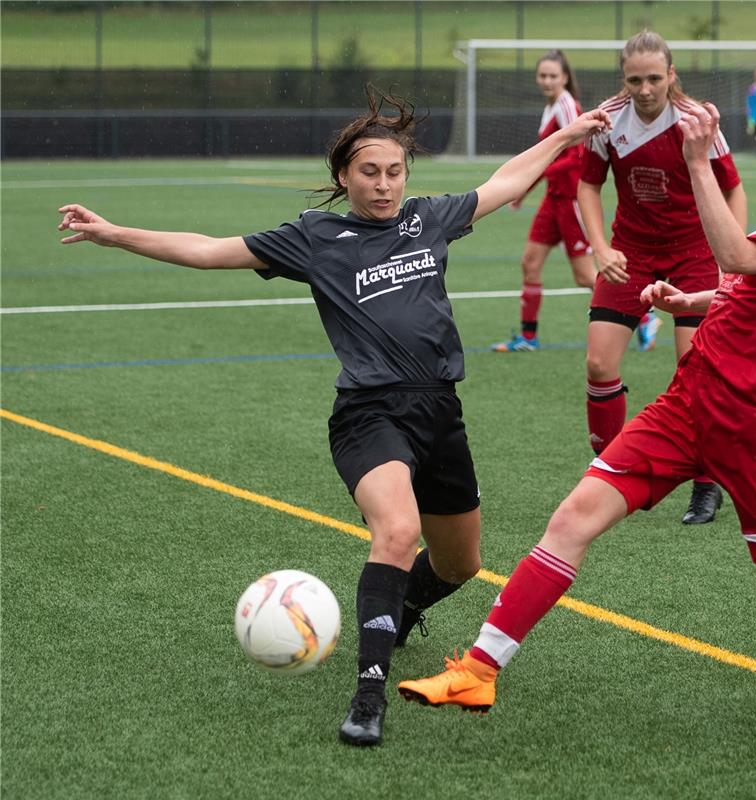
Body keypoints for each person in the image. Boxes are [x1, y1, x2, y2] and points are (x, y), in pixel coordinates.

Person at [56, 87, 610, 748]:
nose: (383, 186)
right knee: (397, 532)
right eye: (369, 173)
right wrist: (113, 233)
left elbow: (504, 181)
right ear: (343, 176)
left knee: (460, 564)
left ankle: (399, 610)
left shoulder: (429, 219)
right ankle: (367, 696)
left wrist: (565, 136)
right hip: (368, 416)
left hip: (440, 412)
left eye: (394, 172)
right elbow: (207, 249)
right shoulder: (314, 237)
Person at [397, 101, 756, 726]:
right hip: (686, 404)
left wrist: (698, 162)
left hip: (753, 426)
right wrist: (689, 298)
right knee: (572, 520)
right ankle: (477, 673)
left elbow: (738, 259)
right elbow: (746, 285)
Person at [577, 30, 748, 526]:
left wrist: (728, 257)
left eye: (654, 78)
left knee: (696, 372)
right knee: (598, 363)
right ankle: (614, 472)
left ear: (671, 75)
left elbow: (732, 191)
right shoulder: (608, 120)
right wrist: (601, 247)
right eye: (635, 80)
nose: (645, 88)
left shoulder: (698, 122)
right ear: (623, 79)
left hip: (694, 253)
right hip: (630, 254)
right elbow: (587, 188)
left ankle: (706, 483)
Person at [492, 50, 596, 353]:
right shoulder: (551, 106)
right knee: (531, 263)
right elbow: (549, 156)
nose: (547, 81)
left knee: (585, 276)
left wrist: (527, 182)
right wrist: (526, 187)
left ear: (564, 78)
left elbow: (576, 158)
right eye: (542, 75)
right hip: (553, 200)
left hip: (571, 200)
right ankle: (528, 338)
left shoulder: (567, 105)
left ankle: (642, 315)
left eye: (553, 75)